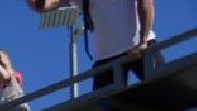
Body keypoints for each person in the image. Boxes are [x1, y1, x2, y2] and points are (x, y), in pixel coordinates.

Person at [26, 0, 157, 91]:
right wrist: (37, 3)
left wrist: (143, 41)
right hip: (105, 58)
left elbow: (146, 3)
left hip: (139, 48)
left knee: (161, 91)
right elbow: (49, 4)